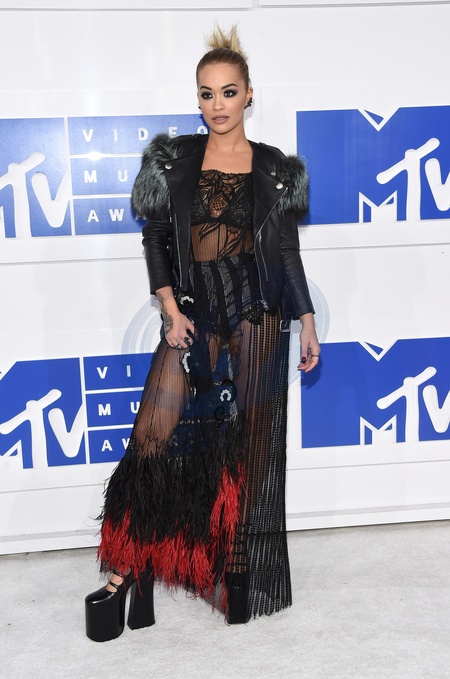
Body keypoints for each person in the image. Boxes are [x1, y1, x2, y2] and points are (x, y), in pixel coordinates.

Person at [85, 25, 320, 642]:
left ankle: (233, 563)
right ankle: (127, 568)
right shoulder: (176, 161)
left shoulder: (274, 169)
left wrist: (306, 319)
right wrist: (169, 307)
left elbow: (286, 253)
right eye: (207, 93)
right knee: (150, 437)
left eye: (229, 91)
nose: (218, 104)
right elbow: (157, 237)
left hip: (257, 315)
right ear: (198, 98)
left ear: (249, 94)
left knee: (247, 447)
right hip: (196, 309)